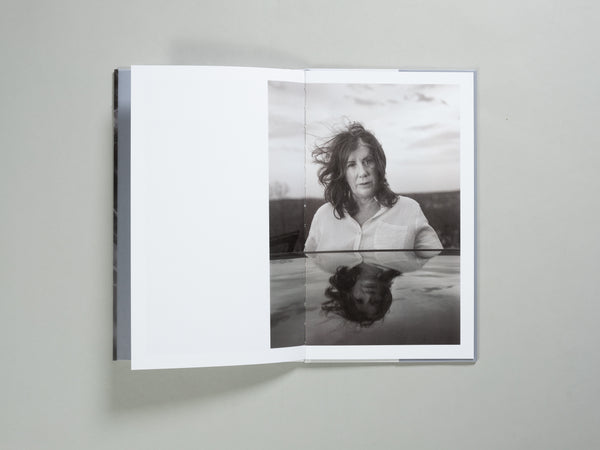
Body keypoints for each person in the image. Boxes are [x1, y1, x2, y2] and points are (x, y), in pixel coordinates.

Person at [304, 122, 442, 254]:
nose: (363, 172)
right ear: (342, 173)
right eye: (351, 165)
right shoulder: (323, 216)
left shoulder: (409, 209)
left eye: (368, 161)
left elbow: (436, 262)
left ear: (379, 165)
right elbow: (308, 265)